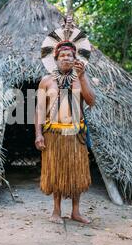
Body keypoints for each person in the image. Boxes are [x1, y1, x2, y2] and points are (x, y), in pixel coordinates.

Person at [35, 36, 96, 224]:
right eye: (62, 55)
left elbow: (91, 101)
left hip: (76, 134)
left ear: (75, 59)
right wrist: (38, 134)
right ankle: (56, 211)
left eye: (70, 55)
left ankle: (76, 212)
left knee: (77, 172)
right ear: (56, 59)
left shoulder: (80, 78)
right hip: (53, 135)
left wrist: (83, 76)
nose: (66, 58)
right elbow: (39, 110)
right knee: (56, 172)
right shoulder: (46, 81)